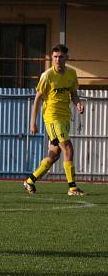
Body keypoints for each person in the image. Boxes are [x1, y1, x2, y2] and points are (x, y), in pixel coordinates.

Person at [24, 44, 85, 196]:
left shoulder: (71, 73)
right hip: (52, 118)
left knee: (54, 155)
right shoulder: (47, 76)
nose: (58, 59)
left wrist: (78, 104)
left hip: (65, 117)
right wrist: (33, 122)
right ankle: (72, 188)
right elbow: (38, 99)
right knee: (68, 149)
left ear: (66, 58)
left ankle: (30, 180)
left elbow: (73, 94)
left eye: (61, 56)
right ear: (52, 58)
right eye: (55, 57)